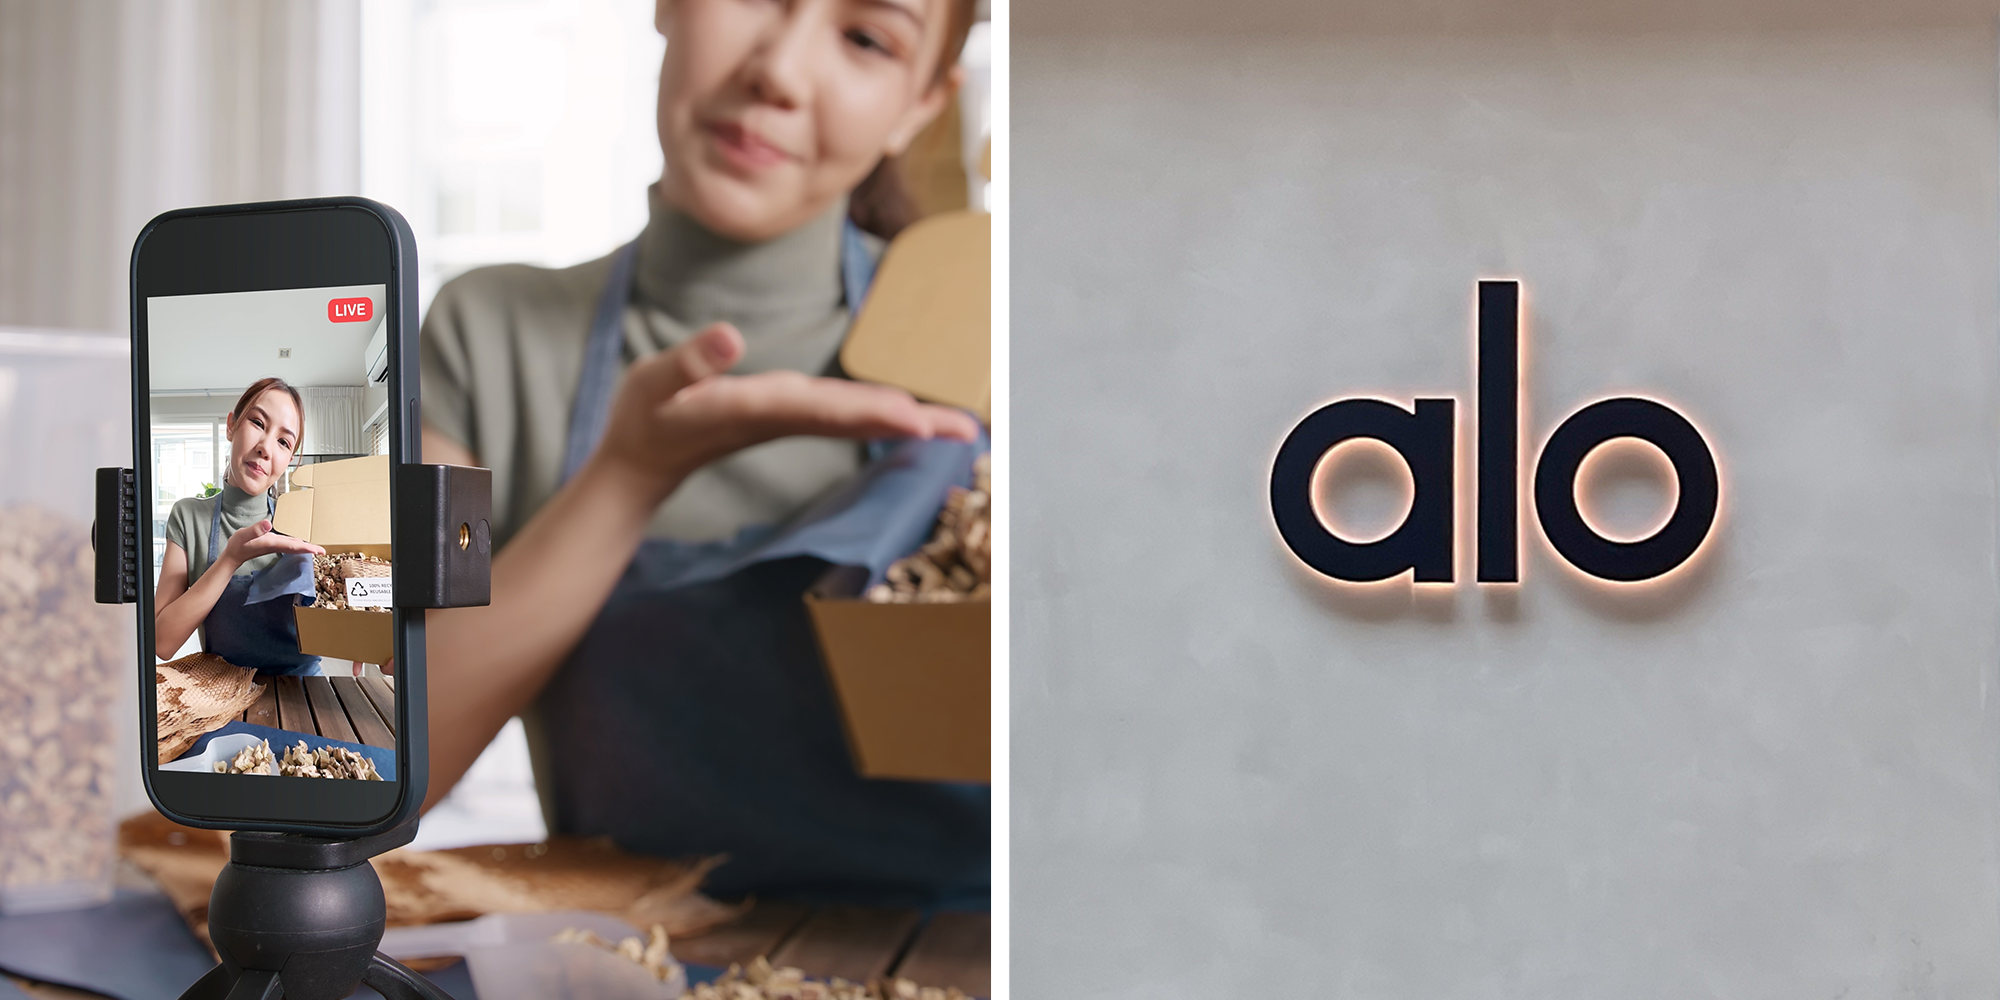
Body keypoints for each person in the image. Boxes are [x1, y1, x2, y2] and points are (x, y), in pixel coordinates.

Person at [419, 0, 987, 906]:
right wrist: (628, 478)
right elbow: (364, 771)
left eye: (867, 38)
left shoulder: (992, 333)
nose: (781, 73)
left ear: (922, 104)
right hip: (623, 967)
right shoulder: (484, 338)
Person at [154, 377, 327, 672]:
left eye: (284, 442)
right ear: (231, 425)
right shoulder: (189, 517)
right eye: (258, 423)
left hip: (304, 695)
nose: (266, 448)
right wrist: (230, 560)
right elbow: (162, 642)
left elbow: (344, 612)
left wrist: (371, 640)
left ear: (290, 460)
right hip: (222, 694)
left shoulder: (305, 520)